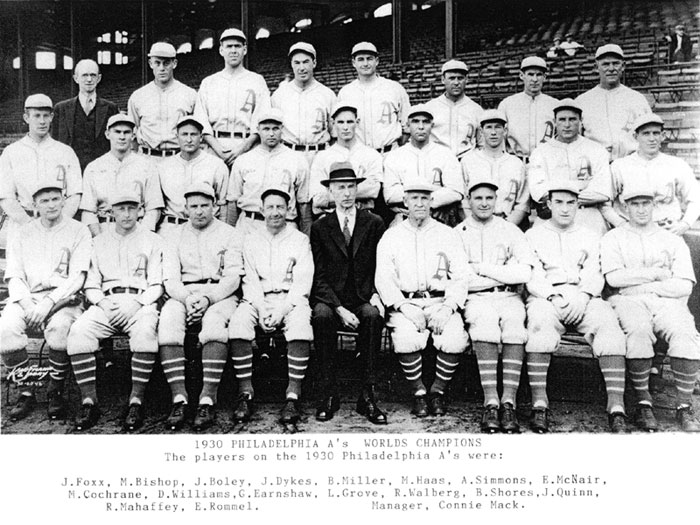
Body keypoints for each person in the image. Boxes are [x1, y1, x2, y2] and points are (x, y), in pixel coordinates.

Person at [524, 181, 628, 433]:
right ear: (548, 204)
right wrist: (553, 296)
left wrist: (582, 296)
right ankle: (540, 403)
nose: (565, 208)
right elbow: (532, 275)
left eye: (571, 203)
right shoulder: (532, 234)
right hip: (547, 296)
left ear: (578, 205)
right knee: (539, 326)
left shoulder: (590, 235)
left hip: (584, 295)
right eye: (558, 202)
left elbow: (596, 273)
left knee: (609, 327)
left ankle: (616, 407)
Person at [601, 185, 700, 432]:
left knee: (685, 332)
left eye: (646, 203)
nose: (642, 209)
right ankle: (643, 402)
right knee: (638, 330)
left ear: (654, 206)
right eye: (635, 204)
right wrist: (655, 275)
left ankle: (684, 406)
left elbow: (684, 285)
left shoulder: (672, 240)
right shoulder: (614, 237)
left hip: (666, 301)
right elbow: (614, 279)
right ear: (624, 207)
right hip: (628, 301)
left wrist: (643, 286)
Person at [67, 192, 164, 431]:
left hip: (140, 302)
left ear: (141, 210)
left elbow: (157, 284)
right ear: (111, 211)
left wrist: (137, 303)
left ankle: (136, 400)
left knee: (145, 333)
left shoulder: (153, 239)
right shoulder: (98, 241)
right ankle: (89, 400)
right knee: (78, 332)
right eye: (121, 209)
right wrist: (102, 303)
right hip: (107, 302)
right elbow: (91, 284)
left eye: (132, 208)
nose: (127, 214)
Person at [375, 180, 470, 417]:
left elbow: (461, 276)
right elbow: (384, 278)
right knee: (406, 339)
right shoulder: (392, 236)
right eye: (414, 198)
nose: (419, 203)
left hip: (440, 302)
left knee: (454, 340)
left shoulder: (447, 234)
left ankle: (437, 391)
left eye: (424, 198)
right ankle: (418, 391)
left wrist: (448, 307)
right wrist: (404, 306)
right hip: (406, 304)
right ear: (405, 202)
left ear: (431, 201)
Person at [0, 183, 91, 421]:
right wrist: (29, 305)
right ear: (34, 205)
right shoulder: (22, 232)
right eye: (44, 200)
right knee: (6, 329)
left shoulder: (78, 230)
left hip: (64, 297)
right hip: (28, 297)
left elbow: (78, 277)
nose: (51, 205)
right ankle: (26, 391)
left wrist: (48, 303)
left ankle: (55, 390)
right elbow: (14, 275)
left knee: (60, 329)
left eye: (55, 199)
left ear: (63, 200)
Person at [158, 183, 244, 431]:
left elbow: (232, 278)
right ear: (185, 209)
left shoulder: (230, 233)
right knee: (169, 320)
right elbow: (170, 279)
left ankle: (207, 398)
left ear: (215, 206)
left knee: (215, 324)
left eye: (205, 205)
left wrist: (209, 299)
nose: (199, 211)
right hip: (184, 293)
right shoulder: (173, 235)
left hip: (219, 294)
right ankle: (179, 398)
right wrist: (187, 299)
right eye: (193, 206)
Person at [228, 188, 314, 425]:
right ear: (262, 210)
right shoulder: (252, 239)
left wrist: (281, 310)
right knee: (238, 324)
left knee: (300, 328)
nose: (275, 212)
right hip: (258, 298)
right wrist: (262, 308)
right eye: (270, 207)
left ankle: (292, 394)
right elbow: (250, 279)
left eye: (280, 207)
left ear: (288, 210)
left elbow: (302, 282)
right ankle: (245, 392)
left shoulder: (299, 240)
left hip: (290, 299)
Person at [310, 162, 387, 424]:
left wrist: (376, 294)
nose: (346, 193)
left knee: (373, 317)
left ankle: (367, 396)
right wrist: (337, 307)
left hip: (363, 296)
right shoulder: (321, 227)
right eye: (340, 187)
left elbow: (381, 265)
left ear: (357, 190)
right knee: (321, 317)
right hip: (331, 299)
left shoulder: (374, 223)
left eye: (351, 187)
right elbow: (318, 275)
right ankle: (328, 393)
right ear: (331, 191)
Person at [457, 176, 534, 433]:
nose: (484, 203)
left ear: (496, 200)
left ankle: (508, 401)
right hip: (478, 298)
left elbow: (524, 272)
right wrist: (501, 272)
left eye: (489, 198)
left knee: (514, 328)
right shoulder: (458, 233)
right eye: (478, 198)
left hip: (509, 295)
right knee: (485, 326)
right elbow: (461, 280)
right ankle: (491, 401)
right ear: (468, 201)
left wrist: (481, 269)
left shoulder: (510, 229)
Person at [0, 94, 82, 241]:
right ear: (26, 118)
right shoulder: (12, 152)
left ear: (52, 117)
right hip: (23, 226)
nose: (42, 121)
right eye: (36, 116)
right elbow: (6, 196)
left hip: (58, 227)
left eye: (46, 115)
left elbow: (75, 194)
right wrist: (28, 223)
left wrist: (60, 222)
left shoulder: (65, 151)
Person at [528, 99, 614, 236]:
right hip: (552, 216)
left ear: (580, 121)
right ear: (555, 122)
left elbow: (602, 192)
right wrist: (581, 186)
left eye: (572, 119)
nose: (567, 125)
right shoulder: (540, 152)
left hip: (588, 214)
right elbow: (538, 191)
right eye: (562, 120)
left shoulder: (596, 150)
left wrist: (557, 191)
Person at [607, 113, 700, 236]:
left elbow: (696, 198)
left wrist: (685, 224)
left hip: (666, 229)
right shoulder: (620, 166)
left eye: (656, 133)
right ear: (636, 136)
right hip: (630, 231)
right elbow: (605, 203)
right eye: (646, 133)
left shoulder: (676, 164)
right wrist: (620, 224)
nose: (652, 139)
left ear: (663, 136)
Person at [226, 108, 311, 234]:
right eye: (266, 129)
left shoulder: (297, 159)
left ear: (282, 129)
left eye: (275, 128)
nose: (271, 134)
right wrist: (230, 235)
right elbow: (232, 202)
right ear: (258, 130)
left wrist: (306, 238)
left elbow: (303, 204)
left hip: (285, 225)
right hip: (250, 224)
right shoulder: (243, 160)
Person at [194, 28, 271, 167]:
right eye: (229, 46)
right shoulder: (209, 82)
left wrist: (243, 148)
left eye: (238, 46)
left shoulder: (257, 81)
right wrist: (218, 150)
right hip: (214, 147)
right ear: (221, 50)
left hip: (247, 147)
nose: (234, 50)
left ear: (245, 49)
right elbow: (201, 121)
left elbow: (262, 119)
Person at [80, 113, 163, 237]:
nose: (122, 137)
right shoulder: (94, 167)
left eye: (126, 132)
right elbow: (88, 212)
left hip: (137, 228)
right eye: (117, 132)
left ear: (133, 135)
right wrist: (99, 239)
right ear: (107, 134)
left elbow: (154, 208)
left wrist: (143, 236)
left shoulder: (147, 166)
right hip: (105, 228)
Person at [383, 104, 463, 226]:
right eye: (415, 121)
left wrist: (418, 199)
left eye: (425, 122)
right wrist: (433, 191)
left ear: (432, 126)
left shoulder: (445, 154)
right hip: (405, 217)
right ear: (408, 126)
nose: (421, 127)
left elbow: (456, 191)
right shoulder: (395, 156)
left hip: (439, 216)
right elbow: (390, 195)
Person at [156, 115, 229, 244]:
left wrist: (222, 234)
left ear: (201, 137)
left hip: (206, 230)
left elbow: (223, 205)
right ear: (177, 137)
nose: (189, 139)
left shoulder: (216, 165)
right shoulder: (163, 166)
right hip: (172, 228)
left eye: (193, 134)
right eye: (184, 134)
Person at [575, 44, 651, 161]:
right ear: (596, 67)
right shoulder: (582, 101)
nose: (611, 68)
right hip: (595, 166)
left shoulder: (637, 99)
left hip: (630, 165)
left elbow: (649, 135)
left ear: (623, 66)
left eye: (616, 63)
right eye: (605, 64)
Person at [309, 103, 383, 215]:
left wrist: (334, 194)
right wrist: (360, 195)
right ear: (333, 124)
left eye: (349, 122)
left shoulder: (371, 154)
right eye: (340, 122)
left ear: (357, 123)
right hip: (331, 217)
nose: (345, 127)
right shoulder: (322, 157)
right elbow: (318, 199)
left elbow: (373, 190)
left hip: (364, 216)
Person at [337, 41, 410, 154]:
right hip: (358, 155)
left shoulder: (395, 88)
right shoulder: (346, 92)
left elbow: (407, 126)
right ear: (353, 63)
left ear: (377, 61)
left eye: (369, 58)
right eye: (360, 59)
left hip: (389, 153)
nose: (365, 63)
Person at [128, 42, 196, 161]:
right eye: (157, 63)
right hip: (147, 158)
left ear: (174, 64)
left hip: (178, 158)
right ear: (150, 64)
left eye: (166, 63)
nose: (162, 68)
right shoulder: (138, 96)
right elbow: (131, 134)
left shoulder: (189, 94)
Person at [271, 42, 336, 164]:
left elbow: (335, 134)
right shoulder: (279, 95)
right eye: (297, 63)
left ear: (314, 63)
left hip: (319, 155)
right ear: (291, 64)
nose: (301, 67)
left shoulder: (327, 94)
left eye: (306, 62)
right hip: (288, 154)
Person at [459, 109, 528, 225]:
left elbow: (522, 203)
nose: (493, 132)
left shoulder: (516, 163)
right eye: (489, 127)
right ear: (481, 131)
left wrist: (507, 227)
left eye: (497, 127)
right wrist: (473, 224)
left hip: (508, 223)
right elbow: (463, 201)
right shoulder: (468, 161)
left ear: (505, 131)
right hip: (475, 224)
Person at [51, 59, 119, 171]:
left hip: (102, 171)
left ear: (99, 78)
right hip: (70, 171)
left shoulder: (111, 108)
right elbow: (55, 144)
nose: (89, 79)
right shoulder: (61, 109)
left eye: (93, 75)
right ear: (76, 78)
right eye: (84, 75)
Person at [498, 56, 558, 161]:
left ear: (545, 77)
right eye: (530, 74)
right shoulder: (507, 104)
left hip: (547, 161)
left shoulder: (554, 105)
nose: (535, 79)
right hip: (516, 161)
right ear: (521, 75)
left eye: (539, 75)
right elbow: (500, 138)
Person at [424, 59, 483, 160]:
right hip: (437, 161)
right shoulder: (430, 108)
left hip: (466, 161)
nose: (456, 82)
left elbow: (482, 144)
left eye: (460, 78)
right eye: (451, 78)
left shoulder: (476, 109)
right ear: (443, 79)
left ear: (466, 79)